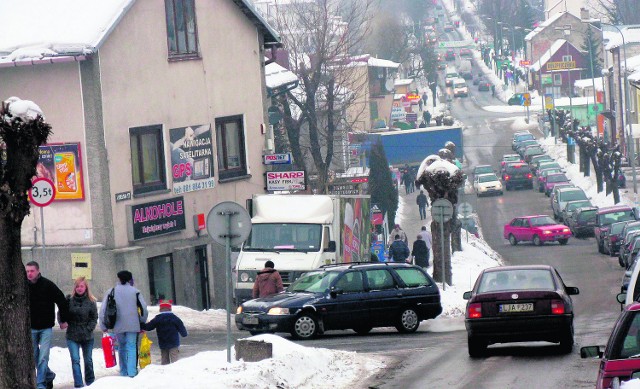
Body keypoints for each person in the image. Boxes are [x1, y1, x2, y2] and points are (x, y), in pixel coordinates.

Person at [26, 261, 69, 389]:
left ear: (38, 271)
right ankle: (49, 375)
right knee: (34, 357)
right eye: (27, 271)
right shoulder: (23, 286)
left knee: (43, 356)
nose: (29, 274)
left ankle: (40, 384)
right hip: (31, 327)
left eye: (32, 271)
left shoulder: (47, 285)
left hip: (46, 327)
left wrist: (63, 320)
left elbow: (61, 300)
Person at [99, 270, 148, 378]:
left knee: (121, 346)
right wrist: (142, 322)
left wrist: (103, 325)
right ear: (130, 279)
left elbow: (103, 309)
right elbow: (143, 308)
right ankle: (132, 372)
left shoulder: (111, 291)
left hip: (117, 324)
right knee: (131, 346)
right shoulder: (135, 291)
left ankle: (123, 371)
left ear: (119, 278)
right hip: (133, 324)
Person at [65, 277, 97, 388]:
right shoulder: (69, 300)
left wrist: (89, 328)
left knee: (88, 360)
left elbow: (94, 317)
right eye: (77, 286)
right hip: (72, 334)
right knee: (75, 359)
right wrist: (63, 322)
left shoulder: (91, 301)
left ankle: (90, 382)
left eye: (82, 286)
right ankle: (78, 384)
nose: (79, 288)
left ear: (86, 287)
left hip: (87, 335)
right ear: (75, 288)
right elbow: (62, 314)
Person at [143, 300, 187, 365]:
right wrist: (184, 334)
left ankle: (165, 371)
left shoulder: (158, 318)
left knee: (164, 359)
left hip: (163, 342)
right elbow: (181, 327)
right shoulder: (174, 318)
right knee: (175, 359)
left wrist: (141, 325)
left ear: (160, 309)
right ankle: (176, 371)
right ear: (170, 308)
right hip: (173, 342)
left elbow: (149, 327)